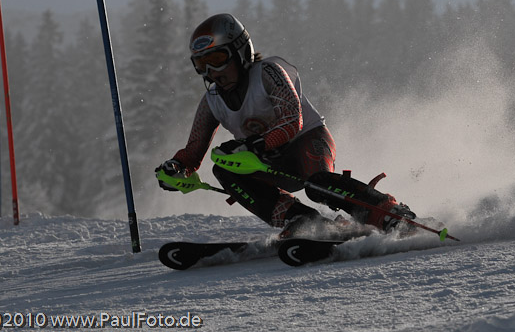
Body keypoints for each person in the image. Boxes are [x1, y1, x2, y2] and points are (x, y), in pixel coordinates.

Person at [156, 13, 415, 238]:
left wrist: (256, 144)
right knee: (223, 169)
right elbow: (194, 152)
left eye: (218, 59)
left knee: (318, 184)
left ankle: (388, 213)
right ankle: (301, 220)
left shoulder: (268, 73)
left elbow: (292, 121)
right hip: (269, 159)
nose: (211, 71)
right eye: (201, 64)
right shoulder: (211, 101)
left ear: (240, 51)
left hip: (306, 141)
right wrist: (177, 168)